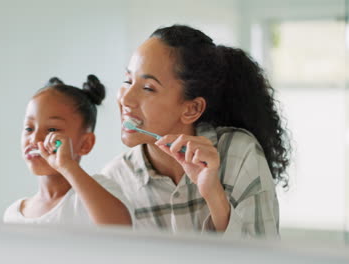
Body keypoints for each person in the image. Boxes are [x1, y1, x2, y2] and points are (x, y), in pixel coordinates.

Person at [102, 25, 290, 238]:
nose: (125, 99)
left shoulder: (238, 154)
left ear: (192, 109)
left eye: (148, 88)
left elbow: (262, 257)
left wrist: (214, 195)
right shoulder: (114, 179)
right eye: (128, 81)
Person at [4, 75, 132, 226]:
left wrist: (67, 166)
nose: (35, 138)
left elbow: (120, 227)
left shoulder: (99, 192)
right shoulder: (13, 214)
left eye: (52, 129)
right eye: (29, 128)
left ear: (85, 144)